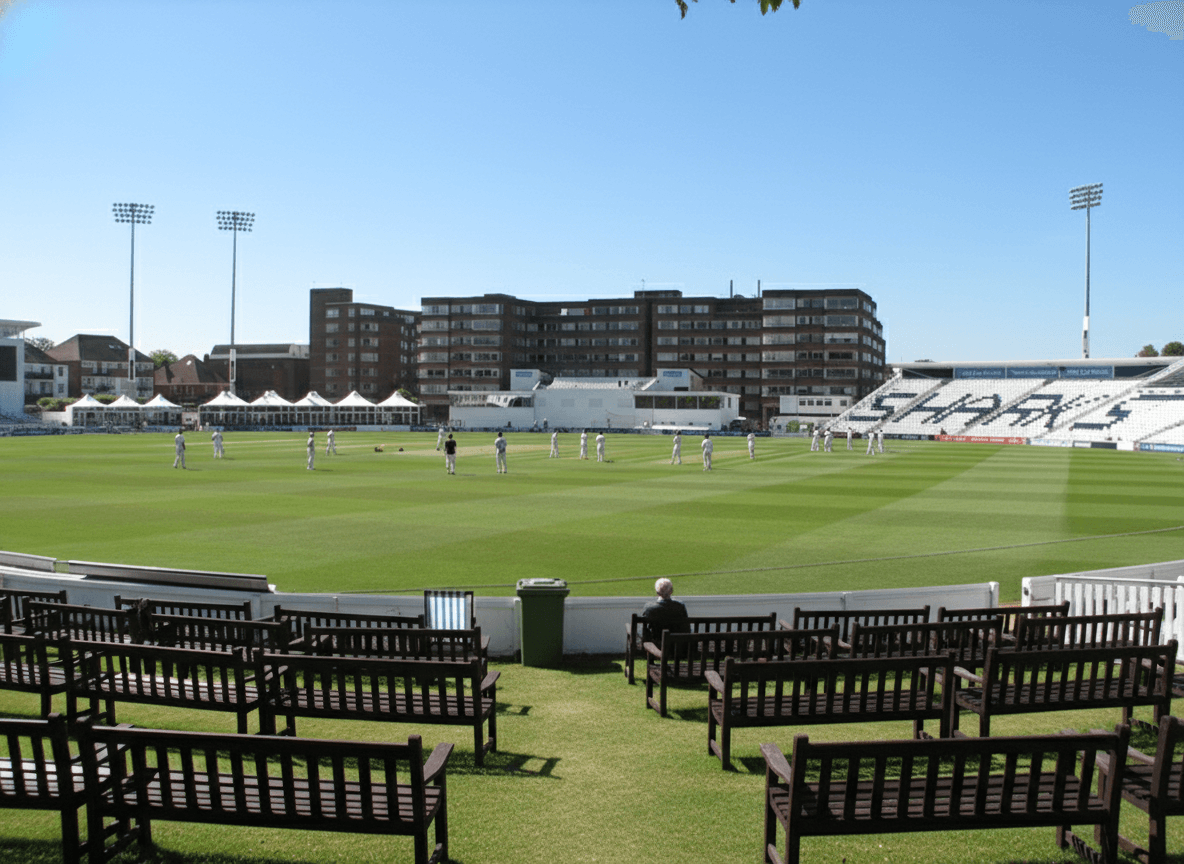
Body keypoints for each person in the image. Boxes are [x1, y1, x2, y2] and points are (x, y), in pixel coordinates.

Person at [640, 578, 690, 645]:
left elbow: (645, 630)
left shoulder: (649, 607)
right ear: (671, 591)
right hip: (677, 646)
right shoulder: (680, 606)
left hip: (656, 645)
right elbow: (686, 628)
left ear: (657, 593)